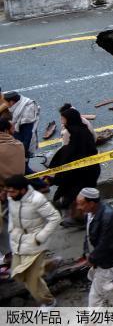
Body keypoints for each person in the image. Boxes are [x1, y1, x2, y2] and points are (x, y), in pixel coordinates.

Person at [4, 174, 61, 306]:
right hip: (18, 242)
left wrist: (40, 237)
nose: (9, 194)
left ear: (23, 190)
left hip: (35, 244)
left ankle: (49, 302)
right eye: (8, 191)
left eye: (12, 191)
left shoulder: (37, 199)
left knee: (32, 281)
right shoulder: (11, 197)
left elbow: (55, 217)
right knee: (17, 274)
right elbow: (12, 215)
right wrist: (11, 229)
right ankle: (50, 264)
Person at [46, 106, 100, 228]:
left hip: (83, 171)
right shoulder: (81, 129)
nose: (61, 120)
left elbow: (70, 151)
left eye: (63, 118)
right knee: (73, 192)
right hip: (86, 169)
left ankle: (80, 219)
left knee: (78, 195)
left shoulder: (71, 133)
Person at [0, 117, 25, 278]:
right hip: (16, 192)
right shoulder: (18, 145)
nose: (14, 129)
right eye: (12, 127)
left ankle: (9, 255)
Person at [4, 92, 39, 167]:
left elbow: (28, 135)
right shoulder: (18, 105)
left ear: (11, 102)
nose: (5, 104)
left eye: (5, 102)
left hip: (23, 145)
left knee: (24, 168)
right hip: (18, 141)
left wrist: (23, 151)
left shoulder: (26, 114)